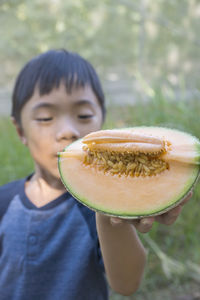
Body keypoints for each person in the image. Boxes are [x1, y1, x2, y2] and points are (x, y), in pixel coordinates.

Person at [0, 49, 192, 300]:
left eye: (84, 116)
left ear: (101, 122)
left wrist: (108, 213)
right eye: (46, 117)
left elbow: (127, 283)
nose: (68, 131)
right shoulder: (4, 202)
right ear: (20, 131)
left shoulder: (98, 208)